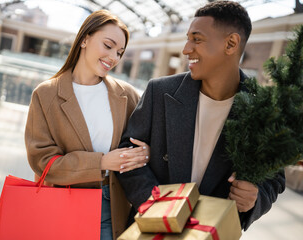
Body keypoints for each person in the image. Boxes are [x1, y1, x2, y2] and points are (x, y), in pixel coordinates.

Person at [116, 1, 285, 231]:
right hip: (150, 227)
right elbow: (128, 153)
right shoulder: (160, 91)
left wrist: (254, 199)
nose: (186, 49)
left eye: (197, 39)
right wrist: (157, 207)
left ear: (231, 43)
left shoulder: (264, 109)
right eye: (188, 38)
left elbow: (274, 179)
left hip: (211, 231)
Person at [25, 10, 150, 240]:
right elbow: (41, 161)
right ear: (84, 39)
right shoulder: (46, 95)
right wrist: (101, 162)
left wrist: (144, 152)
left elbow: (141, 144)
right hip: (61, 206)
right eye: (108, 45)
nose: (113, 57)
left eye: (120, 52)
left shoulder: (127, 95)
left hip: (111, 209)